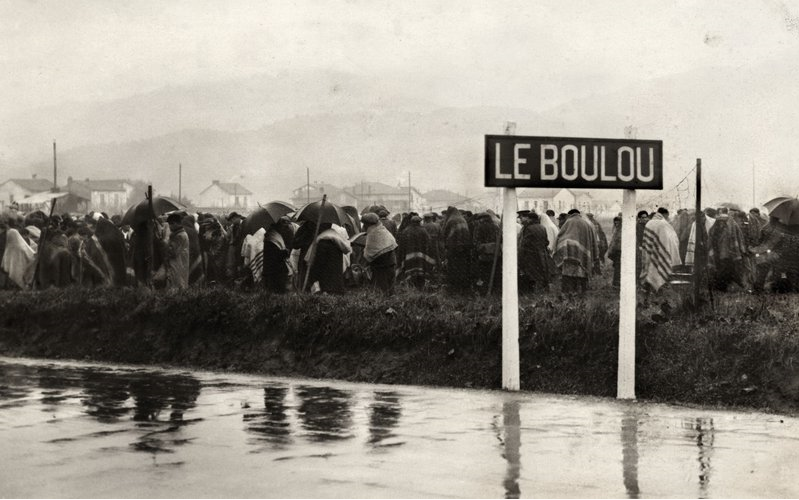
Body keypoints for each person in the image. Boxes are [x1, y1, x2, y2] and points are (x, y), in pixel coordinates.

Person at [554, 209, 597, 294]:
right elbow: (592, 240)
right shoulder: (586, 223)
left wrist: (564, 246)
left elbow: (560, 236)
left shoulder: (568, 222)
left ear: (569, 215)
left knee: (569, 275)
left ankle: (569, 294)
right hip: (582, 256)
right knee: (581, 274)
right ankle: (582, 293)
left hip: (569, 254)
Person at [640, 207, 682, 293]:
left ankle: (648, 288)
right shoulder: (663, 224)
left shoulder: (649, 223)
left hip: (650, 250)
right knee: (658, 268)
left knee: (649, 268)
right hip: (660, 251)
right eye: (667, 216)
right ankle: (658, 288)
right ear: (665, 214)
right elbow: (672, 240)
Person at [306, 222, 352, 294]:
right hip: (336, 273)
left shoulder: (322, 240)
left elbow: (319, 263)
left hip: (325, 275)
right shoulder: (336, 238)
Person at [707, 207, 746, 291]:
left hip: (727, 253)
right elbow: (711, 239)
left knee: (725, 269)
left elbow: (738, 237)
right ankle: (721, 286)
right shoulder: (715, 229)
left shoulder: (731, 226)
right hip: (720, 252)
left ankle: (723, 287)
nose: (721, 223)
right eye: (720, 221)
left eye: (723, 221)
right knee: (722, 269)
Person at [361, 213, 398, 294]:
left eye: (364, 224)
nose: (363, 226)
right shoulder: (382, 230)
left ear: (368, 224)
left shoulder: (373, 233)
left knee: (381, 289)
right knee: (390, 288)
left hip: (381, 266)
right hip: (391, 263)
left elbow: (368, 254)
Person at [442, 206, 473, 293]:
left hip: (454, 248)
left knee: (454, 268)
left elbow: (445, 234)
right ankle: (463, 288)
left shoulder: (451, 220)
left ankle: (454, 288)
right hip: (465, 248)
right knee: (463, 268)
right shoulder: (463, 219)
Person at [397, 215, 433, 289]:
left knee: (410, 272)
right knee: (420, 273)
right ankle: (420, 287)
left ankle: (411, 288)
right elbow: (428, 243)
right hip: (421, 256)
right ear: (419, 222)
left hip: (409, 257)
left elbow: (402, 245)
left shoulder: (406, 231)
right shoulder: (423, 231)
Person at [518, 212, 551, 292]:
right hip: (542, 254)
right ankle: (543, 290)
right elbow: (546, 242)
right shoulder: (542, 227)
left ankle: (534, 291)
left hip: (531, 255)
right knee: (541, 272)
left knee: (532, 274)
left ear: (530, 219)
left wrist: (520, 256)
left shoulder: (528, 228)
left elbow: (524, 243)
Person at [471, 212, 500, 293]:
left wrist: (477, 250)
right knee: (494, 272)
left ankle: (485, 290)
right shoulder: (496, 226)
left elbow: (476, 241)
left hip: (484, 254)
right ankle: (495, 290)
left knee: (484, 273)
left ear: (481, 219)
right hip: (496, 253)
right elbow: (500, 239)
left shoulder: (479, 227)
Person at [262, 217, 292, 293]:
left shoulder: (272, 235)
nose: (283, 228)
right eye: (282, 226)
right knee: (277, 291)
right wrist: (285, 252)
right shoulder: (273, 238)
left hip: (272, 270)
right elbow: (275, 255)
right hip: (275, 271)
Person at [162, 212, 190, 290]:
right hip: (181, 264)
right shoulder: (181, 234)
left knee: (175, 287)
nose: (169, 227)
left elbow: (172, 252)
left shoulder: (179, 236)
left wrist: (165, 243)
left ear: (175, 224)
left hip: (177, 265)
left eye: (170, 224)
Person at [607, 215, 622, 287]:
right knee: (617, 268)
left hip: (620, 252)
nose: (616, 224)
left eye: (618, 223)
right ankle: (616, 284)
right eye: (615, 223)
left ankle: (617, 284)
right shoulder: (616, 230)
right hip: (616, 252)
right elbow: (613, 242)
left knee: (618, 269)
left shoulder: (621, 231)